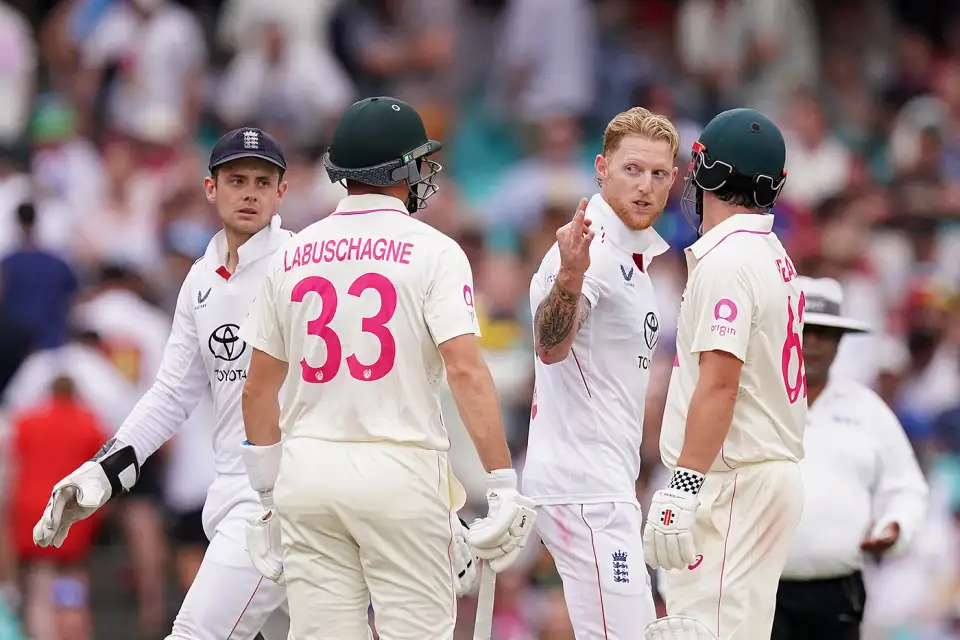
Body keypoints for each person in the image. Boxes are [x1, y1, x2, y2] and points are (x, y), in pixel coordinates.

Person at [238, 96, 536, 640]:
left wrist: (264, 499)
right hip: (399, 471)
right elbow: (466, 371)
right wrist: (501, 482)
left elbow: (257, 390)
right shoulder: (436, 251)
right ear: (400, 170)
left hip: (307, 476)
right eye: (418, 162)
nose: (425, 173)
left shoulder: (290, 253)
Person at [33, 127, 298, 640]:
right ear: (210, 188)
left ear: (281, 192)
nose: (249, 192)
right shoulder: (200, 280)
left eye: (263, 182)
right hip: (235, 496)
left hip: (280, 500)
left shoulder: (301, 264)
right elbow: (171, 395)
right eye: (236, 179)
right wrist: (103, 471)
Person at [643, 108, 806, 640]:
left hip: (733, 480)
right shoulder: (772, 253)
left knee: (696, 630)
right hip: (760, 475)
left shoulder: (728, 260)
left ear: (706, 173)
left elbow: (720, 382)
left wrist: (682, 487)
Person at [523, 106, 675, 638]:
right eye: (632, 169)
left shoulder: (635, 259)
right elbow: (548, 346)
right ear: (601, 167)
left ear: (673, 181)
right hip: (582, 489)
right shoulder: (594, 250)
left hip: (604, 486)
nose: (645, 186)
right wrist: (569, 276)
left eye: (658, 174)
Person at [773, 276, 928, 640]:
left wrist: (895, 526)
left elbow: (906, 488)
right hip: (756, 587)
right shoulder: (748, 401)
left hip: (838, 594)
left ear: (840, 341)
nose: (811, 344)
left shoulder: (867, 410)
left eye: (824, 334)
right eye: (804, 330)